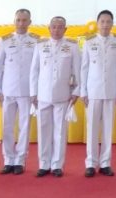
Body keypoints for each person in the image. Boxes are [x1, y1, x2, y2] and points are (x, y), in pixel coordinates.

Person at [30, 15, 80, 177]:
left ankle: (57, 164)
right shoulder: (40, 45)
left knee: (60, 131)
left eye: (60, 27)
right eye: (54, 27)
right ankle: (44, 164)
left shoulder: (72, 46)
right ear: (49, 28)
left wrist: (76, 92)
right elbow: (34, 71)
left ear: (65, 29)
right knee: (43, 130)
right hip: (43, 95)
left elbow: (77, 71)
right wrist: (33, 93)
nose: (57, 30)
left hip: (62, 95)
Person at [0, 8, 39, 175]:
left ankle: (20, 160)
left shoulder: (36, 41)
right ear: (14, 21)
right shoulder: (5, 40)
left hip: (27, 90)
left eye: (24, 20)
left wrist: (36, 91)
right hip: (8, 90)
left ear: (30, 22)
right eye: (18, 20)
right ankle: (8, 159)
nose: (21, 23)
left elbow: (38, 68)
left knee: (24, 126)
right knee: (7, 126)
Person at [81, 9, 116, 177]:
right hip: (93, 91)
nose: (105, 25)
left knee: (108, 128)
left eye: (108, 22)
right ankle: (91, 163)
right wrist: (83, 91)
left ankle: (105, 163)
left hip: (111, 90)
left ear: (112, 24)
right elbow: (84, 68)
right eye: (102, 22)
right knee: (92, 128)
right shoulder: (89, 42)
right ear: (97, 24)